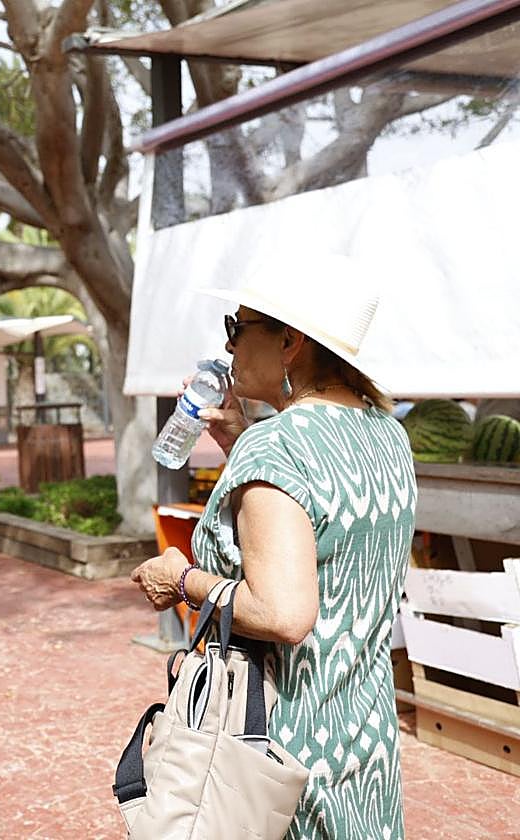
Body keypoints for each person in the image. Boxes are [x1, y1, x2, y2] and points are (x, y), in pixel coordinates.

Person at [130, 253, 417, 840]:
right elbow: (316, 533)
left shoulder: (278, 447)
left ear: (289, 342)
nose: (228, 345)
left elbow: (284, 614)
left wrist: (181, 579)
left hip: (272, 759)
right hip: (362, 743)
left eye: (238, 328)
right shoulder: (386, 432)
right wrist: (239, 438)